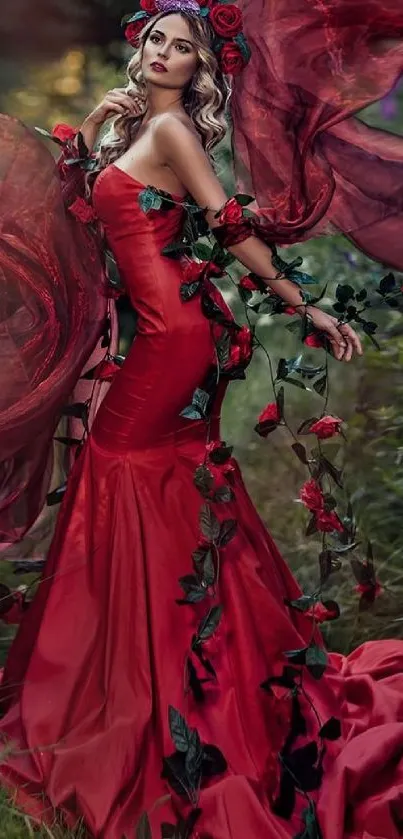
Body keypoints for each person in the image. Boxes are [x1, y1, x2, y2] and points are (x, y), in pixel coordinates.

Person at [0, 3, 402, 839]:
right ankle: (146, 668)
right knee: (155, 487)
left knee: (124, 476)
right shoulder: (143, 128)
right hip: (166, 333)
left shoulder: (177, 132)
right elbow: (109, 215)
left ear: (198, 71)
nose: (165, 54)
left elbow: (227, 226)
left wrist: (306, 307)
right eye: (157, 39)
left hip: (173, 342)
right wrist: (102, 131)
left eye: (183, 49)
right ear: (139, 46)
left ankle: (144, 687)